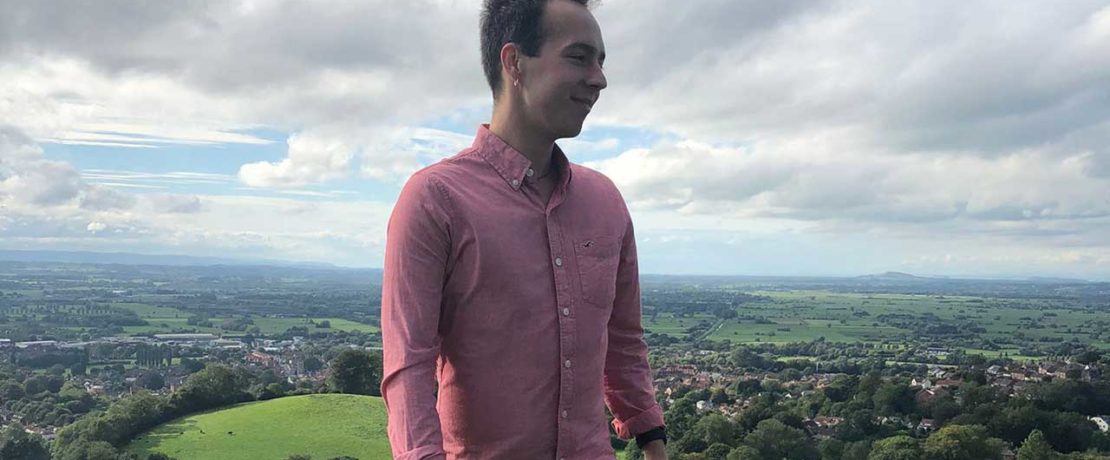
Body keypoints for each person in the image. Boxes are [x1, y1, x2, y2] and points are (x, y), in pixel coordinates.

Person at [380, 0, 666, 458]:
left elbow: (624, 341)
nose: (599, 78)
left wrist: (651, 438)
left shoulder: (605, 202)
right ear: (514, 62)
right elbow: (408, 366)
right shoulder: (436, 200)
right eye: (579, 57)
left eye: (601, 61)